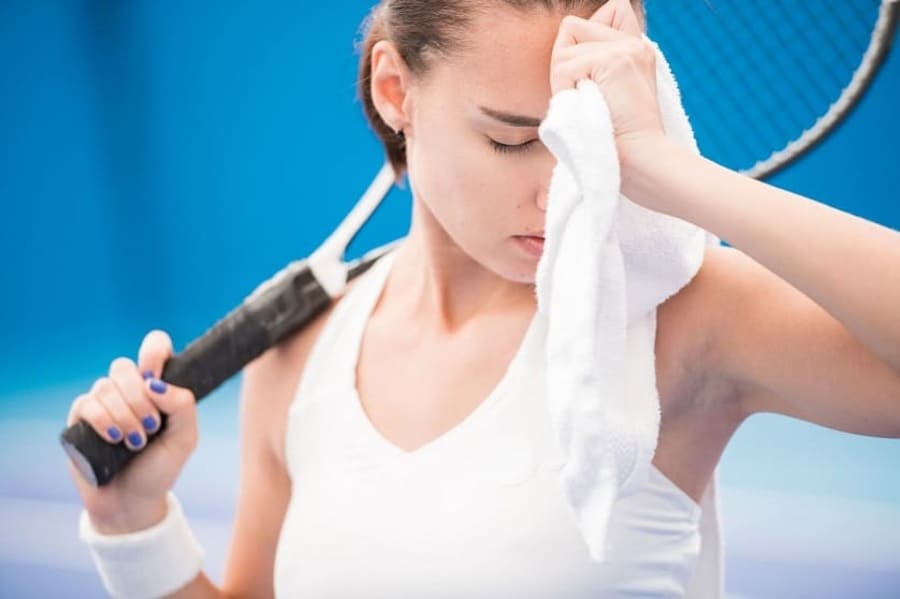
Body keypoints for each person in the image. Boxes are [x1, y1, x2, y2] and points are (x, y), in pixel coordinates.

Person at [65, 0, 900, 597]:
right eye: (511, 138)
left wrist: (678, 177)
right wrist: (133, 524)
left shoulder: (678, 317)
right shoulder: (298, 351)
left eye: (589, 137)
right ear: (396, 92)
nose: (558, 187)